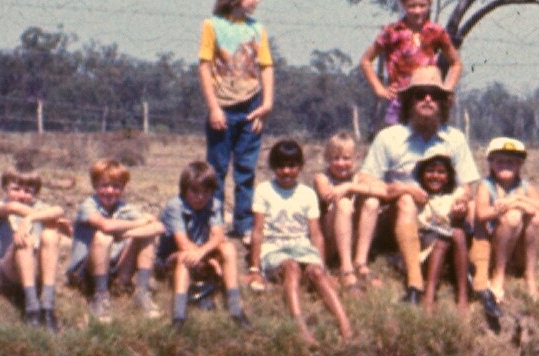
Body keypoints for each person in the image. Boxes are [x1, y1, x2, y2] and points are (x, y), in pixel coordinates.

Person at [357, 66, 480, 304]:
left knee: (475, 207)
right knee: (406, 202)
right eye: (420, 93)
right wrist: (401, 189)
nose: (427, 99)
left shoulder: (454, 138)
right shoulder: (389, 138)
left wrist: (462, 200)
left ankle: (473, 277)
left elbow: (467, 185)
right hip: (396, 221)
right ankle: (415, 282)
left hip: (441, 218)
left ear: (444, 102)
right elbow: (366, 179)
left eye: (434, 95)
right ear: (408, 101)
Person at [249, 139, 352, 345]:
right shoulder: (264, 191)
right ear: (273, 167)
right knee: (291, 267)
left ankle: (346, 327)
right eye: (281, 166)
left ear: (300, 167)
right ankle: (300, 326)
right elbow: (258, 230)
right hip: (275, 248)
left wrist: (321, 264)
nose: (286, 171)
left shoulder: (307, 194)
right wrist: (254, 268)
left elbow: (315, 234)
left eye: (291, 166)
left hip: (301, 247)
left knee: (317, 272)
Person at [198, 0, 274, 243]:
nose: (256, 0)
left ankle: (242, 224)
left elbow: (266, 66)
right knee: (217, 168)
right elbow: (204, 67)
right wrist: (214, 107)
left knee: (246, 168)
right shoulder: (213, 25)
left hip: (251, 106)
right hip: (223, 106)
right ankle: (214, 223)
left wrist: (267, 104)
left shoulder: (257, 29)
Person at [68, 159, 165, 322]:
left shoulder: (123, 207)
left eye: (116, 186)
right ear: (95, 186)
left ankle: (142, 292)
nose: (110, 191)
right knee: (103, 237)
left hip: (114, 269)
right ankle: (100, 296)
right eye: (104, 186)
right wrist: (139, 223)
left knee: (146, 235)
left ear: (123, 188)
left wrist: (127, 233)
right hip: (86, 271)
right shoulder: (88, 205)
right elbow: (105, 226)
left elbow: (158, 227)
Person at [469, 137, 539, 323]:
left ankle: (529, 274)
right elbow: (481, 213)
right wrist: (502, 209)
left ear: (519, 165)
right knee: (513, 217)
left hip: (518, 250)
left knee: (536, 217)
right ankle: (498, 274)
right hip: (497, 245)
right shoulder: (486, 186)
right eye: (499, 160)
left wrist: (518, 200)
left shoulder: (524, 187)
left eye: (511, 162)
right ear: (490, 163)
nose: (505, 165)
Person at [156, 160, 249, 328]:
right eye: (195, 191)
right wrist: (209, 259)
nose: (200, 197)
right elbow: (183, 243)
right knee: (186, 256)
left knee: (228, 248)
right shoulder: (175, 206)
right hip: (173, 257)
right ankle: (179, 316)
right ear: (185, 190)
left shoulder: (213, 204)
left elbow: (218, 235)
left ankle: (236, 309)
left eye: (206, 192)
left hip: (200, 252)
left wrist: (203, 255)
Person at [359, 0, 462, 128]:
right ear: (402, 4)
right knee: (395, 141)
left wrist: (446, 88)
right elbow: (366, 61)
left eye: (422, 5)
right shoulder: (392, 32)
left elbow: (456, 63)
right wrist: (379, 89)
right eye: (412, 6)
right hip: (399, 100)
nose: (417, 11)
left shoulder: (436, 32)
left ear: (430, 3)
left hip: (425, 100)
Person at [0, 167, 66, 327]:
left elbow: (59, 210)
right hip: (6, 275)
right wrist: (47, 217)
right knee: (24, 240)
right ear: (5, 188)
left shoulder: (39, 206)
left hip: (33, 272)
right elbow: (13, 208)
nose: (22, 195)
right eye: (16, 189)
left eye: (28, 191)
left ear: (35, 192)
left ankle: (47, 306)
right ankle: (32, 308)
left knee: (50, 235)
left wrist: (30, 220)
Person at [315, 130, 388, 290]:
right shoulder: (322, 178)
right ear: (327, 159)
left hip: (352, 236)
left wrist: (350, 186)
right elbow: (326, 195)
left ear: (355, 158)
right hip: (330, 238)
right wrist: (343, 191)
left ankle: (360, 262)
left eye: (346, 158)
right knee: (344, 204)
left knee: (372, 202)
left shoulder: (359, 177)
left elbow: (385, 192)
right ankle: (346, 269)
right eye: (336, 158)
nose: (341, 163)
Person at [412, 154, 472, 313]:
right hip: (427, 242)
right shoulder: (418, 194)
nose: (435, 176)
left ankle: (462, 293)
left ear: (448, 176)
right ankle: (429, 293)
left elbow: (464, 198)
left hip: (451, 242)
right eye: (430, 171)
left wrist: (461, 208)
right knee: (442, 240)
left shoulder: (453, 194)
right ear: (422, 173)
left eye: (441, 172)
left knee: (457, 233)